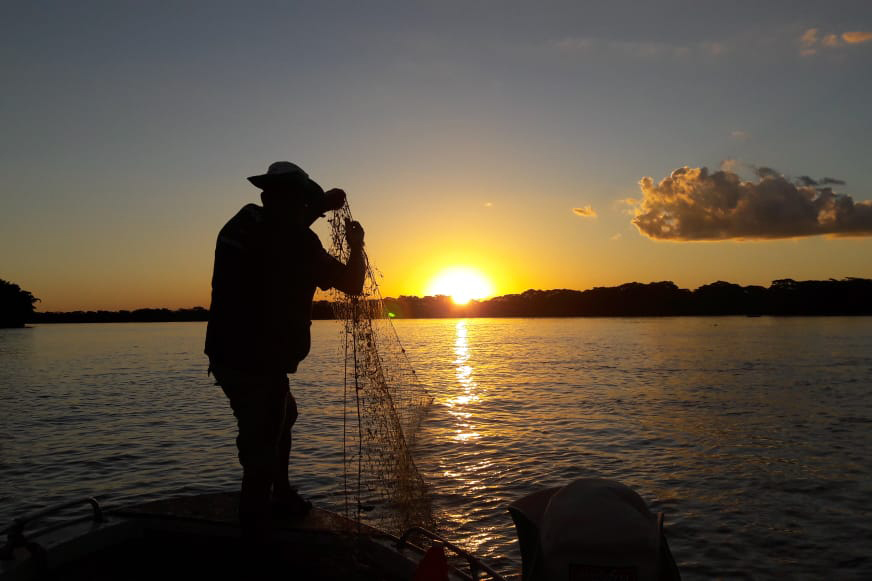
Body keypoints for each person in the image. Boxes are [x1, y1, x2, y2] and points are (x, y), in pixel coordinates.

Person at [205, 161, 365, 540]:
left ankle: (282, 494)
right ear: (279, 199)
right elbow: (353, 284)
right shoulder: (298, 243)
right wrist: (356, 245)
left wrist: (318, 209)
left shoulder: (242, 223)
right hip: (256, 360)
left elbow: (276, 233)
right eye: (299, 200)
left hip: (227, 354)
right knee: (260, 446)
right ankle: (257, 530)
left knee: (284, 414)